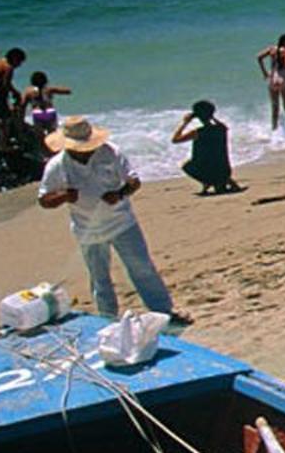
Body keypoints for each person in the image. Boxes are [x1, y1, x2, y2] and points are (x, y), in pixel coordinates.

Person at [39, 116, 186, 321]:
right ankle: (107, 318)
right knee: (100, 279)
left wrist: (120, 194)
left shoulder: (111, 152)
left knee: (142, 268)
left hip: (122, 223)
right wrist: (64, 196)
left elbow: (133, 180)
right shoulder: (57, 165)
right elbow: (44, 199)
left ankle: (163, 311)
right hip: (87, 231)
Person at [172, 100, 240, 195]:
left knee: (186, 166)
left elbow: (175, 140)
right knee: (216, 160)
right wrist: (212, 117)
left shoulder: (197, 132)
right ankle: (225, 181)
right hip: (225, 171)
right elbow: (224, 126)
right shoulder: (221, 129)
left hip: (208, 172)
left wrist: (185, 123)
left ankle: (207, 182)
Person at [257, 33, 285, 128]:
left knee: (275, 107)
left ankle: (274, 129)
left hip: (273, 78)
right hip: (283, 78)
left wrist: (264, 72)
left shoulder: (272, 49)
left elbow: (259, 57)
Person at [22, 71, 69, 137]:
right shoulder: (49, 89)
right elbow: (67, 91)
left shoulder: (28, 91)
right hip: (50, 112)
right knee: (52, 135)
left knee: (40, 136)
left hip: (37, 113)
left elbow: (22, 104)